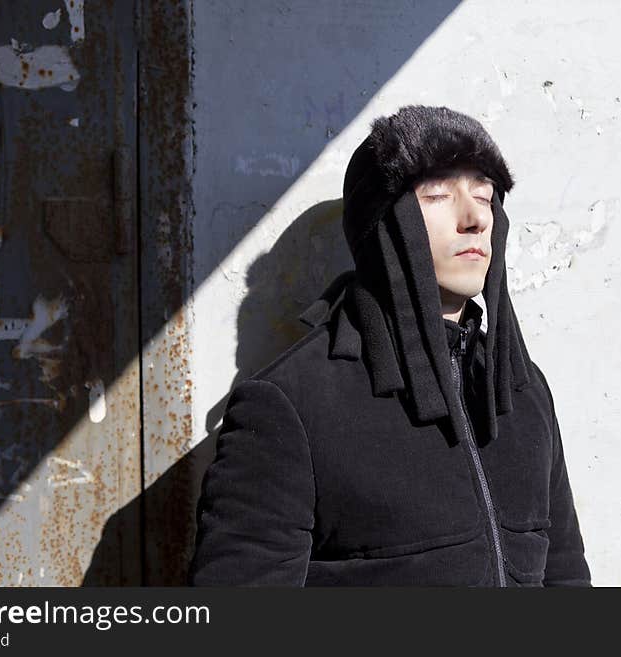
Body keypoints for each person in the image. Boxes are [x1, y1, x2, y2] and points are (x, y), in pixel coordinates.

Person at [187, 105, 591, 586]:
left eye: (485, 195)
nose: (474, 218)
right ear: (380, 224)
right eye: (438, 194)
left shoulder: (522, 390)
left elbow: (565, 574)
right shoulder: (292, 403)